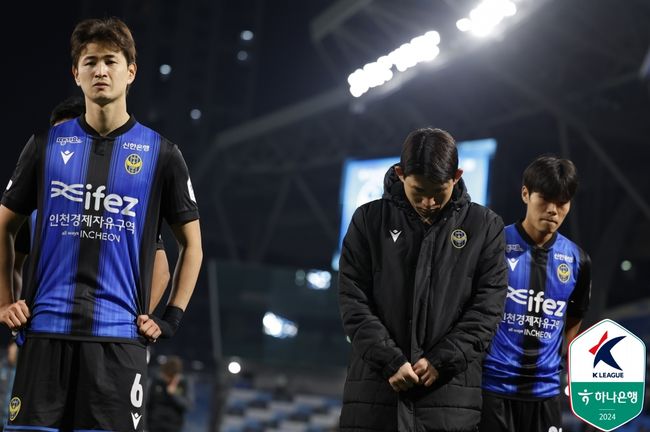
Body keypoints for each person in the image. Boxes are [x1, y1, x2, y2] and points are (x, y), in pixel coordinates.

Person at [0, 17, 202, 432]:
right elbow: (3, 227)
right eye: (89, 62)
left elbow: (192, 246)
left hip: (117, 344)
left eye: (111, 61)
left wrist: (169, 319)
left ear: (131, 71)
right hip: (44, 335)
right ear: (76, 74)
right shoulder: (44, 146)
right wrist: (5, 302)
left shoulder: (162, 154)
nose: (100, 70)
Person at [338, 127, 508, 431]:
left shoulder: (485, 227)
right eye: (419, 192)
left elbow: (488, 307)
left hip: (450, 402)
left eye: (437, 193)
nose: (428, 202)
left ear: (456, 176)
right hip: (375, 398)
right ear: (401, 174)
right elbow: (353, 302)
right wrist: (390, 360)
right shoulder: (367, 220)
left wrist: (441, 361)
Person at [479, 155, 591, 432]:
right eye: (545, 200)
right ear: (525, 194)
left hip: (545, 395)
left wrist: (558, 360)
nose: (553, 210)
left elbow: (575, 318)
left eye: (562, 202)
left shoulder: (578, 260)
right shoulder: (493, 244)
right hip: (492, 389)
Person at [146, 355, 193, 432]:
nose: (166, 379)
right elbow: (147, 404)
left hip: (173, 427)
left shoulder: (184, 383)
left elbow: (188, 405)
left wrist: (174, 394)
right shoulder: (155, 381)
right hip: (153, 426)